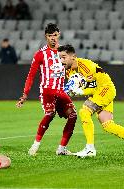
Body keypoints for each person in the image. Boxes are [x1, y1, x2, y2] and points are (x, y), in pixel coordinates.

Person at [58, 44, 124, 158]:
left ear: (73, 57)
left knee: (84, 112)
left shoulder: (86, 66)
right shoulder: (69, 71)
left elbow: (93, 87)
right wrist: (74, 92)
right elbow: (82, 88)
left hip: (105, 89)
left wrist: (80, 91)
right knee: (107, 125)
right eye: (60, 58)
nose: (61, 60)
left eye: (64, 57)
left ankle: (90, 149)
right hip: (100, 92)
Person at [16, 23, 77, 156]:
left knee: (73, 115)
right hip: (47, 91)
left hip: (60, 91)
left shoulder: (64, 53)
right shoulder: (40, 54)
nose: (53, 38)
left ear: (59, 34)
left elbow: (73, 68)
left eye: (55, 35)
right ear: (46, 37)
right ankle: (35, 145)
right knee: (50, 114)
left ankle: (62, 148)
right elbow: (31, 75)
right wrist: (25, 94)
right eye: (50, 36)